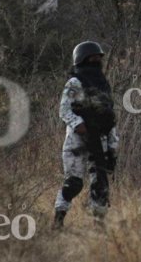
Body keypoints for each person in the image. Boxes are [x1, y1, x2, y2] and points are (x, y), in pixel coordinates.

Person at [53, 41, 118, 229]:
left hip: (101, 140)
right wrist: (79, 124)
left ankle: (99, 225)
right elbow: (64, 110)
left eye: (98, 57)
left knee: (100, 183)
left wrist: (113, 146)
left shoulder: (103, 83)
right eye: (92, 57)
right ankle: (58, 219)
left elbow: (109, 116)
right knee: (73, 183)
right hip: (77, 141)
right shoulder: (75, 82)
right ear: (82, 59)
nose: (96, 60)